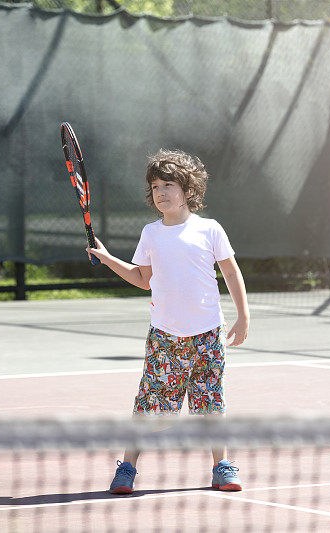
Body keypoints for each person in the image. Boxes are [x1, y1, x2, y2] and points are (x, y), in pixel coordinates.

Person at [85, 148, 249, 495]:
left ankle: (221, 466)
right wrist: (107, 257)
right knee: (149, 405)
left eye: (168, 185)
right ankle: (127, 467)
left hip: (208, 335)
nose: (161, 192)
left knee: (211, 402)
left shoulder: (210, 230)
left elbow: (231, 272)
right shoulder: (151, 233)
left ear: (188, 190)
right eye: (155, 186)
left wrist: (243, 316)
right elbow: (142, 278)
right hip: (165, 337)